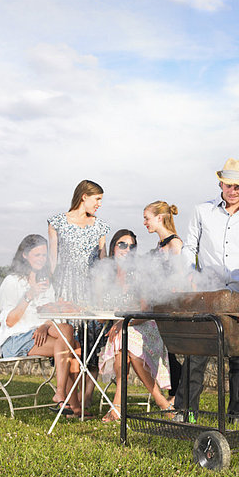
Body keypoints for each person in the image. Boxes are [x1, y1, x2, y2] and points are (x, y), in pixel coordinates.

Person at [175, 158, 239, 421]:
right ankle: (185, 412)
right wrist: (190, 273)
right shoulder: (202, 211)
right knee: (197, 354)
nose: (233, 190)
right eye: (229, 184)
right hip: (207, 293)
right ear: (221, 183)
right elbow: (189, 247)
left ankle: (238, 414)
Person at [0, 234, 82, 416]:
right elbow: (10, 321)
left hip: (40, 333)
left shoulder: (45, 283)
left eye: (44, 255)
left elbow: (51, 313)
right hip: (15, 338)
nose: (42, 260)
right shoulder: (12, 282)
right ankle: (74, 404)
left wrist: (44, 325)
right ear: (25, 255)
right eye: (37, 255)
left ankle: (61, 395)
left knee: (67, 329)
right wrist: (29, 295)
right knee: (74, 346)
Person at [48, 179, 111, 410]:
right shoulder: (57, 222)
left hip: (91, 291)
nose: (99, 204)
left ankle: (84, 400)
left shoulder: (101, 227)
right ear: (84, 196)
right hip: (65, 289)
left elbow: (103, 264)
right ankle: (73, 403)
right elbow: (52, 263)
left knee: (91, 344)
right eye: (97, 199)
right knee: (71, 342)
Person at [99, 229, 172, 422]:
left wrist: (125, 322)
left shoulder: (139, 274)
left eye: (132, 246)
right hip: (121, 330)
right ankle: (162, 403)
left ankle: (117, 407)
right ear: (113, 247)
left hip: (145, 327)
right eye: (122, 244)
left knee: (126, 341)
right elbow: (99, 315)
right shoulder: (105, 276)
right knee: (124, 345)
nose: (127, 249)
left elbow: (146, 310)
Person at [143, 201, 183, 403]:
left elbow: (179, 276)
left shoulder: (174, 243)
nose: (144, 223)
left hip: (171, 304)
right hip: (159, 304)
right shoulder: (159, 245)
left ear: (159, 218)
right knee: (168, 351)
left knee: (172, 352)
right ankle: (175, 396)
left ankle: (177, 397)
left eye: (147, 218)